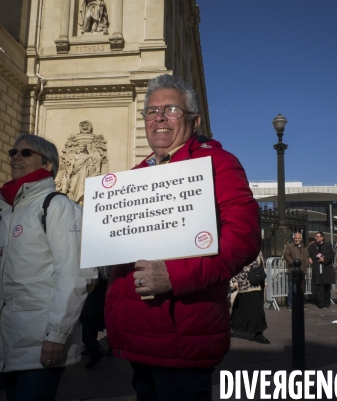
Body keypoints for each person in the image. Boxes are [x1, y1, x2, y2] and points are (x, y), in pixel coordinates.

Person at [104, 74, 261, 400]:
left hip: (182, 337)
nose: (158, 118)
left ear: (194, 119)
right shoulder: (134, 176)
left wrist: (174, 277)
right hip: (137, 338)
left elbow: (243, 239)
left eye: (170, 109)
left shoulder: (219, 164)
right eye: (151, 111)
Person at [0, 134, 95, 401]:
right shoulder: (8, 210)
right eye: (13, 151)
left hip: (40, 343)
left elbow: (74, 277)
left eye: (26, 153)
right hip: (6, 340)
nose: (15, 156)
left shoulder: (57, 206)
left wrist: (57, 335)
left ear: (48, 164)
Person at [230, 253, 269, 344]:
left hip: (257, 281)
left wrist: (265, 281)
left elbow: (261, 265)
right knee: (257, 309)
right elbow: (236, 265)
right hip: (245, 283)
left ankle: (232, 325)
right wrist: (234, 281)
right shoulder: (241, 249)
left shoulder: (257, 250)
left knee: (240, 306)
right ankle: (258, 332)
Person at [283, 232, 309, 309]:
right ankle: (290, 304)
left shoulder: (304, 247)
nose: (297, 240)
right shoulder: (289, 246)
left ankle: (300, 303)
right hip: (292, 270)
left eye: (298, 238)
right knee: (292, 287)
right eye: (295, 238)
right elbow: (286, 255)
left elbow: (307, 255)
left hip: (302, 270)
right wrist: (293, 263)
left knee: (301, 287)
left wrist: (308, 261)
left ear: (301, 239)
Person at [308, 232, 334, 308]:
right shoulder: (312, 246)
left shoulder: (328, 245)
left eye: (318, 236)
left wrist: (324, 259)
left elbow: (332, 255)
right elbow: (308, 254)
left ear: (322, 237)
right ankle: (321, 302)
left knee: (326, 286)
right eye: (315, 236)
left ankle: (327, 301)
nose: (316, 238)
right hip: (317, 267)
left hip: (326, 267)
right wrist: (309, 258)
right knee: (319, 286)